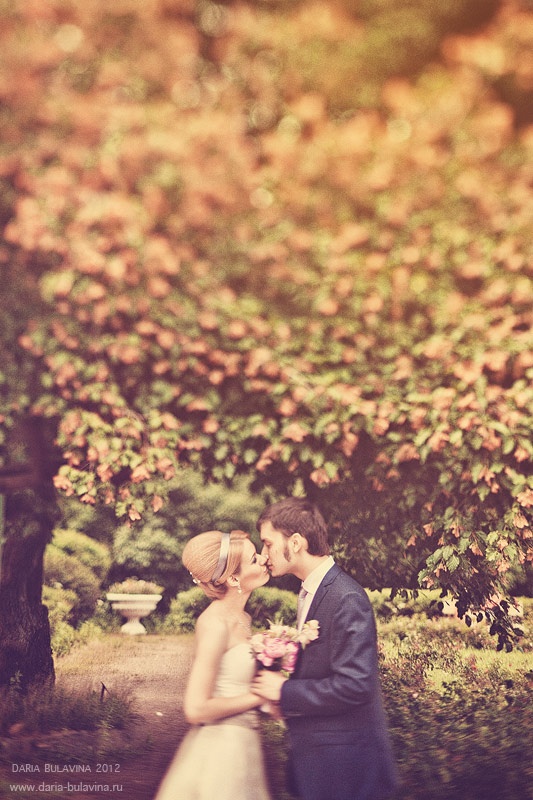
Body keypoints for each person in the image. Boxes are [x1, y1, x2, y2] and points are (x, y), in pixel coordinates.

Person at [251, 498, 398, 800]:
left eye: (268, 543)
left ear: (296, 542)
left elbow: (355, 685)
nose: (264, 555)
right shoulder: (311, 591)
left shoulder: (346, 598)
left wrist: (284, 691)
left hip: (345, 770)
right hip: (320, 764)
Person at [154, 529, 272, 800]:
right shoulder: (215, 624)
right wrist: (259, 696)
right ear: (233, 578)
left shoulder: (243, 618)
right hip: (222, 752)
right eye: (254, 559)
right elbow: (195, 709)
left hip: (244, 745)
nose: (264, 560)